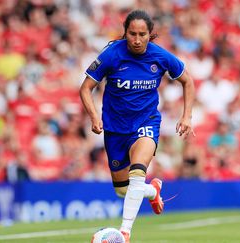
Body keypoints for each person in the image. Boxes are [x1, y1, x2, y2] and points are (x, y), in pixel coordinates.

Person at [79, 10, 195, 243]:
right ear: (126, 32)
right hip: (115, 128)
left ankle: (125, 233)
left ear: (150, 35)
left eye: (142, 34)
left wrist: (187, 116)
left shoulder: (160, 56)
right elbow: (85, 88)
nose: (137, 39)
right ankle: (152, 191)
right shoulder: (112, 55)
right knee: (123, 190)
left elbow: (187, 81)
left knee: (136, 175)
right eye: (132, 34)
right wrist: (93, 117)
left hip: (146, 122)